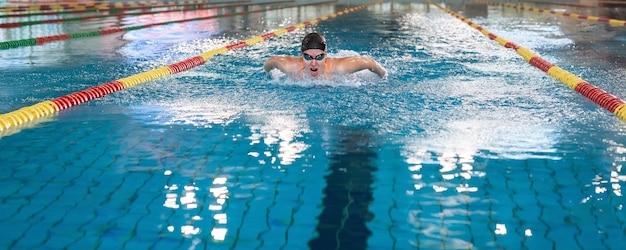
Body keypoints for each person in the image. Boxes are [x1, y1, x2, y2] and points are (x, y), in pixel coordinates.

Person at [264, 32, 387, 79]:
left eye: (319, 57)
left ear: (325, 56)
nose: (313, 63)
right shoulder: (290, 66)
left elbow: (368, 62)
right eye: (307, 57)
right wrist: (269, 75)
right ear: (302, 55)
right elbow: (271, 61)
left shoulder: (340, 68)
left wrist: (383, 76)